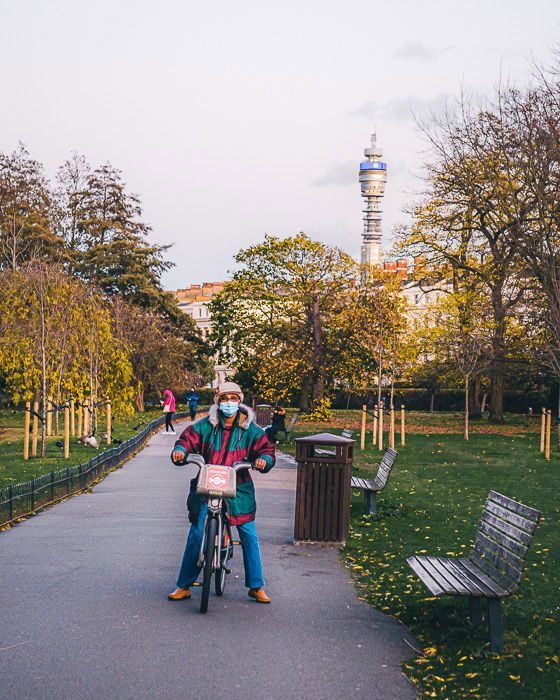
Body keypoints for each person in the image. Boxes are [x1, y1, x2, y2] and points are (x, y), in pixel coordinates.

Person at [168, 381, 275, 604]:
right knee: (197, 533)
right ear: (218, 402)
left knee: (249, 535)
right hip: (207, 486)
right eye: (224, 399)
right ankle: (184, 585)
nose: (229, 403)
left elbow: (266, 449)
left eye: (233, 399)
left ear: (240, 401)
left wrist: (263, 460)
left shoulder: (250, 429)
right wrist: (180, 451)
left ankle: (256, 586)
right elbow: (187, 440)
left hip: (239, 488)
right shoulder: (206, 425)